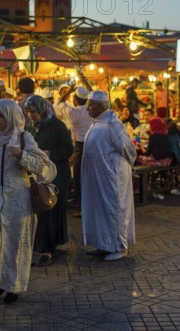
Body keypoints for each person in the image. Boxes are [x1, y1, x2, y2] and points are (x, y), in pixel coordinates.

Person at [0, 99, 56, 304]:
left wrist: (22, 155)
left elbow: (44, 168)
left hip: (18, 201)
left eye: (1, 115)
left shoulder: (24, 138)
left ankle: (12, 286)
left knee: (13, 246)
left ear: (11, 116)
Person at [81, 91, 137, 261]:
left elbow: (128, 149)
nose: (87, 108)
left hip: (112, 179)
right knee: (99, 211)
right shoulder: (98, 122)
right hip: (97, 179)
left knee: (114, 210)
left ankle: (120, 247)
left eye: (90, 104)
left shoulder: (113, 124)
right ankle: (103, 244)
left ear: (100, 106)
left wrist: (120, 169)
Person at [25, 95, 73, 266]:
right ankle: (46, 246)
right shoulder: (31, 127)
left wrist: (50, 154)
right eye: (29, 112)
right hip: (40, 175)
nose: (31, 115)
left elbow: (68, 149)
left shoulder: (58, 126)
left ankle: (48, 249)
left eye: (34, 112)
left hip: (58, 175)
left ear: (43, 110)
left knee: (51, 209)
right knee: (44, 210)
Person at [55, 85, 92, 216]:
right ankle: (89, 207)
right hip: (92, 145)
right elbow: (96, 97)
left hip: (79, 147)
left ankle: (82, 208)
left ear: (75, 100)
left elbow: (59, 102)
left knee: (78, 178)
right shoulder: (91, 110)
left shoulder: (73, 113)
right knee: (90, 177)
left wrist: (68, 91)